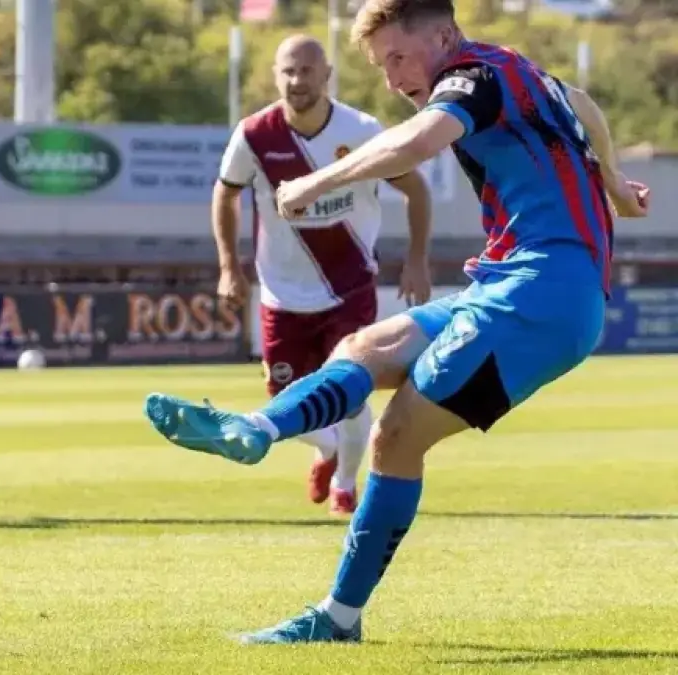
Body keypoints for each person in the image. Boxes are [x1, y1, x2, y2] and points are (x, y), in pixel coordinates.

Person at [144, 0, 649, 643]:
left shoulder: (471, 79)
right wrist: (613, 181)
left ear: (445, 35)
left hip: (542, 297)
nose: (392, 80)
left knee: (398, 434)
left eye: (398, 58)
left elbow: (416, 142)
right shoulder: (519, 71)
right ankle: (255, 428)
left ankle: (337, 618)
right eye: (382, 66)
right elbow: (582, 103)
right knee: (365, 346)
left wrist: (314, 183)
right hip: (508, 285)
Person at [215, 35, 432, 515]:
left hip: (349, 289)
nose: (298, 80)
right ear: (276, 76)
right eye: (288, 71)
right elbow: (225, 193)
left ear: (326, 75)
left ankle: (346, 485)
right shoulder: (254, 135)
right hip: (281, 293)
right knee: (282, 397)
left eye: (307, 70)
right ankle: (329, 448)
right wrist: (229, 266)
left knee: (350, 393)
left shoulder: (361, 130)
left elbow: (416, 190)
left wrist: (416, 260)